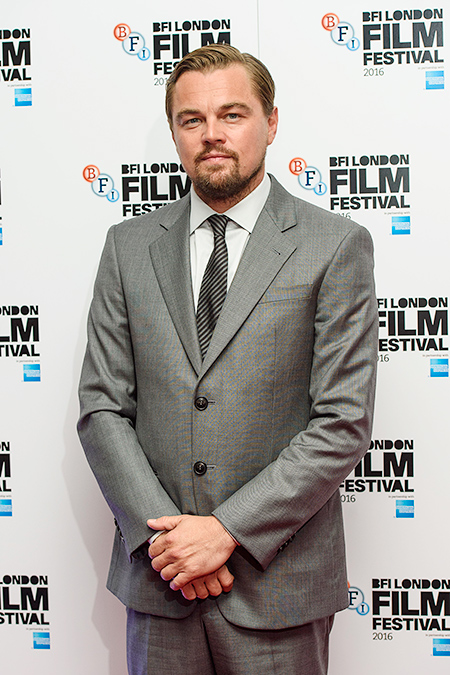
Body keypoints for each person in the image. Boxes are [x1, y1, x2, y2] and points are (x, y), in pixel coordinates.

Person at [78, 44, 378, 675]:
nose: (211, 134)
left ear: (271, 122)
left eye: (232, 114)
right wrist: (166, 542)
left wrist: (224, 532)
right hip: (162, 583)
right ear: (174, 132)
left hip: (279, 588)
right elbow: (103, 407)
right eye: (192, 119)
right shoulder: (128, 246)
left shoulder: (335, 246)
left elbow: (342, 422)